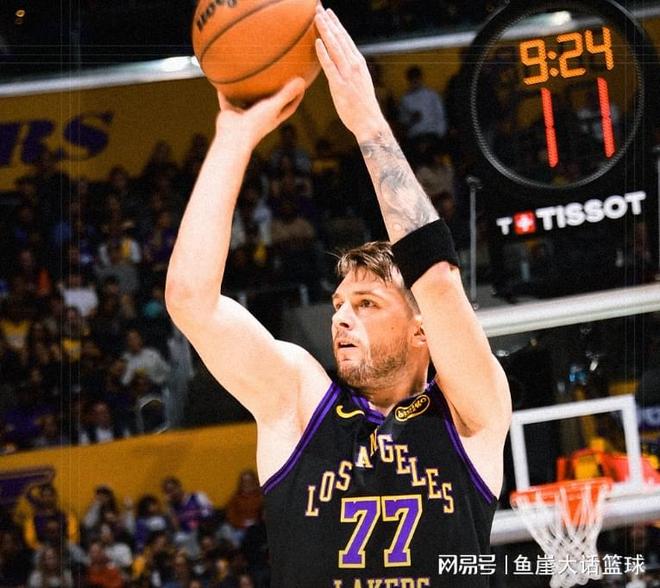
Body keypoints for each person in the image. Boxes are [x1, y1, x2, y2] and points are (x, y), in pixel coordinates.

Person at [165, 7, 510, 587]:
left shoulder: (469, 413)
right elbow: (190, 301)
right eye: (339, 305)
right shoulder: (299, 401)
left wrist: (368, 124)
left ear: (422, 329)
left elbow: (438, 281)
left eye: (367, 304)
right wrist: (234, 137)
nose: (342, 318)